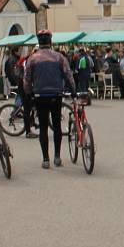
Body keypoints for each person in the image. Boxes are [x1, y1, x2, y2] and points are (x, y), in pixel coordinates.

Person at [24, 30, 76, 169]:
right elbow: (68, 75)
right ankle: (57, 156)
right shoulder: (59, 57)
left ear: (39, 42)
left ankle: (45, 159)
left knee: (43, 127)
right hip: (56, 95)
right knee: (57, 126)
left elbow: (27, 79)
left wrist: (29, 94)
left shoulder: (32, 58)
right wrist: (73, 92)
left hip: (40, 95)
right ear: (50, 41)